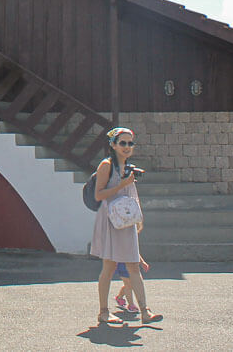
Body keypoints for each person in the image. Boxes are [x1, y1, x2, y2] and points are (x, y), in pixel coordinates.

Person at [90, 127, 159, 325]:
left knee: (133, 267)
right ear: (113, 145)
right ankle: (103, 312)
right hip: (111, 220)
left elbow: (131, 193)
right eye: (123, 143)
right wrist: (122, 183)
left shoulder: (128, 166)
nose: (127, 146)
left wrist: (139, 217)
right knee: (109, 267)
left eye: (130, 143)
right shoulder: (107, 165)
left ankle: (145, 311)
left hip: (126, 220)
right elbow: (99, 195)